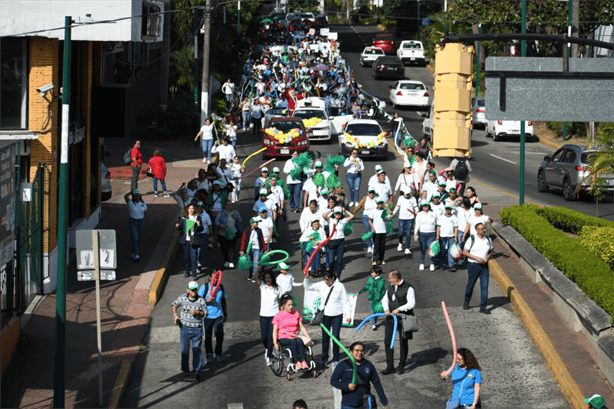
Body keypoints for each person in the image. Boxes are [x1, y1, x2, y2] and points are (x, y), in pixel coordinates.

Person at [303, 271, 351, 367]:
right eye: (324, 279)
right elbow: (307, 286)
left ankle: (335, 358)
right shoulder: (321, 284)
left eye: (327, 279)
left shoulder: (340, 286)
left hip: (337, 314)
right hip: (325, 315)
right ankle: (325, 358)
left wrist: (348, 315)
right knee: (325, 338)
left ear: (333, 277)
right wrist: (306, 278)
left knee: (335, 337)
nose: (326, 281)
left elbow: (345, 301)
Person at [330, 341, 388, 409]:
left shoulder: (368, 365)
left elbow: (376, 383)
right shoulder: (343, 365)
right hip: (348, 405)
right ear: (350, 352)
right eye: (357, 350)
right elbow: (333, 381)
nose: (359, 353)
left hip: (365, 404)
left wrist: (383, 400)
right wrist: (347, 386)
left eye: (362, 351)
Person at [381, 270, 415, 375]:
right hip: (391, 319)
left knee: (403, 342)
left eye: (390, 278)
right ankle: (390, 366)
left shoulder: (409, 288)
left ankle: (401, 366)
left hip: (404, 319)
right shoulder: (390, 288)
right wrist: (386, 309)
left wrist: (399, 309)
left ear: (396, 278)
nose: (388, 280)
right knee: (387, 341)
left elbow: (411, 303)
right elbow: (385, 300)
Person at [171, 281, 208, 380]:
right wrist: (175, 315)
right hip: (184, 328)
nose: (194, 291)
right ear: (187, 290)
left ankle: (197, 370)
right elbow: (174, 304)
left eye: (195, 289)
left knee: (196, 349)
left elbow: (206, 313)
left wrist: (198, 312)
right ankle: (186, 369)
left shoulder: (201, 300)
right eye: (192, 290)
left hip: (197, 329)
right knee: (184, 350)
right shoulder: (183, 298)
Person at [272, 294, 312, 372]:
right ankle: (296, 362)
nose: (291, 307)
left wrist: (308, 337)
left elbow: (302, 327)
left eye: (292, 305)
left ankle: (303, 361)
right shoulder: (278, 315)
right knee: (293, 341)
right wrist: (275, 343)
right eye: (289, 305)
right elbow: (275, 330)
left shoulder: (296, 313)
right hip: (283, 337)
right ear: (284, 305)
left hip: (295, 336)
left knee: (299, 340)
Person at [463, 222, 494, 314]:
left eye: (484, 228)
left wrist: (488, 256)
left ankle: (483, 307)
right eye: (480, 229)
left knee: (484, 287)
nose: (483, 230)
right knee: (470, 285)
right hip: (473, 266)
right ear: (476, 230)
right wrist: (477, 258)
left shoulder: (488, 239)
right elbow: (465, 252)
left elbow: (491, 250)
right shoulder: (471, 239)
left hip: (484, 267)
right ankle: (466, 301)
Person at [198, 271, 228, 364]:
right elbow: (197, 301)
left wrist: (225, 314)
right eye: (214, 278)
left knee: (220, 335)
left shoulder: (221, 287)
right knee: (207, 337)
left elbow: (223, 301)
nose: (216, 280)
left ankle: (218, 352)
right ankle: (209, 354)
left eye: (217, 278)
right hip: (207, 316)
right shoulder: (204, 287)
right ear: (209, 277)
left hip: (218, 315)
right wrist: (207, 300)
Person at [254, 267, 282, 366]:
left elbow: (280, 302)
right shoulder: (262, 286)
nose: (267, 280)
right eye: (266, 278)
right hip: (264, 315)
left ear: (272, 278)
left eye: (269, 278)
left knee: (271, 337)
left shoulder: (278, 288)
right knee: (264, 337)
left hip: (274, 315)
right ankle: (268, 349)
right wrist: (258, 268)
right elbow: (255, 277)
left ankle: (269, 355)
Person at [322, 206, 354, 279]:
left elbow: (352, 216)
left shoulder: (343, 221)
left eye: (339, 213)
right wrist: (332, 210)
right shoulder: (330, 220)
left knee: (339, 261)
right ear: (334, 214)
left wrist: (345, 210)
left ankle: (338, 277)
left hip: (340, 242)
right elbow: (324, 215)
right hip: (332, 241)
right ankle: (331, 276)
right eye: (336, 213)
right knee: (331, 261)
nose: (337, 215)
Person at [176, 204, 204, 279]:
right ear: (187, 210)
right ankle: (188, 271)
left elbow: (202, 229)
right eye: (190, 208)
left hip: (194, 240)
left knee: (194, 257)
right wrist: (177, 226)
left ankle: (194, 274)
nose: (191, 209)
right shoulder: (184, 218)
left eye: (192, 208)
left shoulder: (198, 218)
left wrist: (198, 225)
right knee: (187, 257)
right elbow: (180, 228)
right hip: (186, 241)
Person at [124, 190, 150, 262]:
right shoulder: (131, 203)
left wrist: (148, 219)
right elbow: (125, 196)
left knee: (137, 238)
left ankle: (133, 252)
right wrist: (130, 192)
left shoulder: (143, 204)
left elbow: (145, 212)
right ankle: (137, 254)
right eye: (135, 196)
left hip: (141, 222)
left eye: (138, 196)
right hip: (133, 222)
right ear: (133, 196)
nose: (137, 197)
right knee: (135, 238)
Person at [357, 266, 386, 330]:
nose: (371, 274)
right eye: (371, 272)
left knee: (377, 311)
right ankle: (373, 324)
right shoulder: (370, 279)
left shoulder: (382, 280)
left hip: (378, 299)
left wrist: (383, 298)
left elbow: (383, 290)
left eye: (373, 273)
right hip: (372, 298)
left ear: (377, 273)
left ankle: (374, 322)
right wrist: (360, 292)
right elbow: (366, 287)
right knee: (372, 311)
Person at [215, 200, 242, 269]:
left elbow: (240, 220)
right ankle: (226, 260)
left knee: (232, 248)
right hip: (223, 234)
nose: (229, 206)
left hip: (233, 233)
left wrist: (237, 217)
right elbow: (216, 221)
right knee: (224, 248)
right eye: (228, 205)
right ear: (225, 206)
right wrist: (221, 225)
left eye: (230, 205)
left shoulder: (235, 212)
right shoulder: (221, 213)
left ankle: (231, 262)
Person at [365, 198, 392, 265]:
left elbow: (389, 219)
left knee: (382, 246)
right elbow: (369, 219)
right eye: (379, 203)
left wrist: (386, 219)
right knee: (376, 246)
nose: (380, 204)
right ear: (377, 204)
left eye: (381, 203)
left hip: (383, 231)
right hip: (376, 231)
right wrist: (372, 227)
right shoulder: (373, 211)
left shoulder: (385, 211)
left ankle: (381, 259)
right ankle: (375, 260)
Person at [393, 186, 418, 255]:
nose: (407, 195)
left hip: (410, 218)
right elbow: (397, 206)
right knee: (400, 233)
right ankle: (400, 243)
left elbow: (416, 207)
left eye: (408, 194)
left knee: (408, 233)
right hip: (402, 218)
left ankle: (407, 248)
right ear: (403, 193)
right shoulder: (400, 198)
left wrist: (417, 212)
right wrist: (393, 213)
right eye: (406, 194)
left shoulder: (413, 199)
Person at [352, 187, 378, 254]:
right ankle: (369, 246)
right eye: (370, 192)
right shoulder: (365, 199)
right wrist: (352, 213)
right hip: (366, 217)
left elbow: (383, 206)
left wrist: (390, 212)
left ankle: (373, 245)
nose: (371, 194)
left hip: (375, 217)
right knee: (368, 230)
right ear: (368, 193)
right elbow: (359, 206)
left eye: (373, 192)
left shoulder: (377, 199)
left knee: (374, 231)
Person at [414, 200, 438, 271]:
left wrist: (437, 234)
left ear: (429, 206)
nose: (425, 207)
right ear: (422, 207)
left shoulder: (433, 213)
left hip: (432, 233)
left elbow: (437, 224)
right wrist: (415, 233)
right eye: (424, 206)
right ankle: (422, 263)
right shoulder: (419, 214)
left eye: (426, 205)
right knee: (423, 249)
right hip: (422, 234)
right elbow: (417, 224)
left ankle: (432, 263)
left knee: (431, 249)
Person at [437, 203, 459, 271]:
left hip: (451, 236)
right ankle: (442, 264)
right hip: (442, 236)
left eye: (449, 209)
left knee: (450, 251)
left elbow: (456, 228)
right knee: (442, 251)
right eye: (446, 209)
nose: (447, 210)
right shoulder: (441, 217)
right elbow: (438, 227)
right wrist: (437, 235)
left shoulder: (454, 218)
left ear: (451, 209)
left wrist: (455, 236)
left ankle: (451, 265)